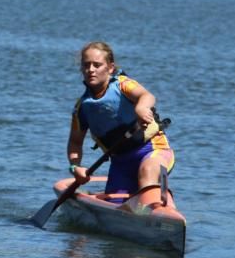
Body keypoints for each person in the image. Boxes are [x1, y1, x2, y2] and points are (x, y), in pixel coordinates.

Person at [66, 41, 174, 213]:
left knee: (147, 171)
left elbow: (146, 96)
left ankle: (155, 214)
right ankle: (135, 215)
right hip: (120, 163)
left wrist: (141, 107)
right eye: (86, 65)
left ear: (110, 68)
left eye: (97, 65)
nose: (91, 69)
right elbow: (75, 143)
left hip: (152, 150)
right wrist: (75, 167)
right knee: (117, 208)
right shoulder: (82, 108)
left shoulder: (123, 85)